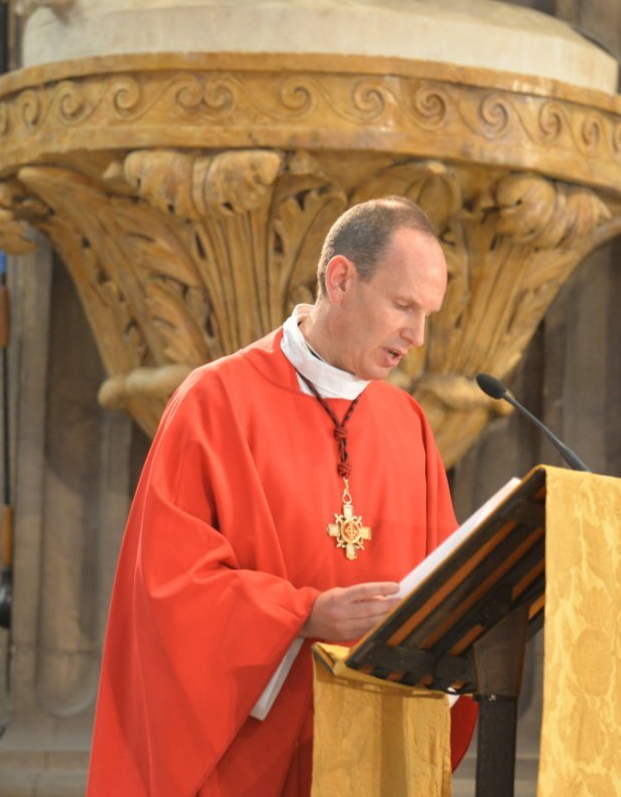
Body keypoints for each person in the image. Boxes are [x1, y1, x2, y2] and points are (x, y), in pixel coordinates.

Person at [86, 196, 477, 797]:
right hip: (249, 760)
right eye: (403, 306)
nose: (417, 336)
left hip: (371, 761)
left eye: (428, 314)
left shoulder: (408, 424)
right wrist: (303, 616)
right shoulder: (215, 402)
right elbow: (169, 593)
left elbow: (442, 590)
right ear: (341, 279)